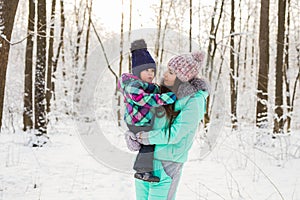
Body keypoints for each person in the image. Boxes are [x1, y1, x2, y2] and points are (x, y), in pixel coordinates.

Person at [125, 51, 209, 199]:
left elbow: (176, 133)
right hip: (146, 159)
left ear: (182, 77)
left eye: (171, 72)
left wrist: (145, 138)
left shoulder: (194, 100)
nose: (164, 74)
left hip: (167, 163)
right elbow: (143, 118)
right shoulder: (161, 94)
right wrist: (132, 135)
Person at [118, 39, 177, 183]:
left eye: (152, 70)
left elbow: (157, 90)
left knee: (149, 143)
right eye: (146, 70)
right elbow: (144, 99)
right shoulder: (132, 85)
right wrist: (166, 98)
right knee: (148, 144)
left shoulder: (148, 85)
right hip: (137, 122)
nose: (150, 74)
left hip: (143, 120)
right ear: (138, 71)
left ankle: (144, 169)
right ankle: (142, 171)